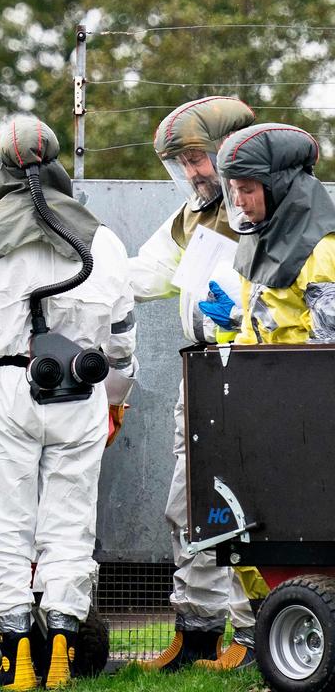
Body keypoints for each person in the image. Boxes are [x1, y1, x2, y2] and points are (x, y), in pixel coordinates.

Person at [0, 117, 136, 690]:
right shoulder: (103, 239)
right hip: (82, 394)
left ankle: (17, 662)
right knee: (69, 529)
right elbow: (122, 343)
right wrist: (114, 401)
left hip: (9, 392)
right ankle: (61, 654)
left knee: (5, 531)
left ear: (0, 175)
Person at [130, 96, 259, 671]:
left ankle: (255, 633)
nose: (190, 172)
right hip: (202, 370)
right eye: (180, 161)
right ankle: (199, 632)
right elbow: (145, 273)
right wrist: (80, 274)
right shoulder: (193, 214)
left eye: (196, 158)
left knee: (247, 504)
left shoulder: (266, 209)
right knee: (191, 504)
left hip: (253, 373)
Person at [217, 123, 335, 345]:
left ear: (279, 187)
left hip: (301, 374)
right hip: (268, 371)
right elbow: (251, 332)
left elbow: (327, 349)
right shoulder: (256, 237)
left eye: (247, 190)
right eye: (233, 189)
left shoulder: (320, 248)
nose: (237, 201)